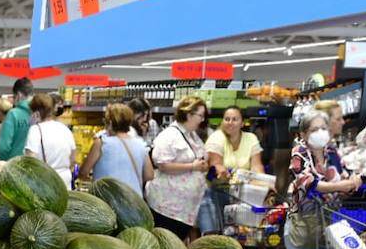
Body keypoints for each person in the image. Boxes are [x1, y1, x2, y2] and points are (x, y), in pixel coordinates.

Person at [284, 110, 361, 249]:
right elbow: (309, 183)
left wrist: (353, 182)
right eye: (314, 129)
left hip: (326, 222)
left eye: (323, 128)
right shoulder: (299, 153)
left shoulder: (332, 153)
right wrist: (342, 185)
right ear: (303, 134)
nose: (320, 133)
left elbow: (344, 176)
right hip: (301, 222)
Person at [147, 95, 210, 239]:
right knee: (166, 243)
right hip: (167, 207)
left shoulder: (192, 135)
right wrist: (192, 166)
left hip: (184, 209)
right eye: (200, 115)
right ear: (188, 114)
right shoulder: (169, 135)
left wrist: (202, 165)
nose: (202, 119)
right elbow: (162, 164)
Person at [201, 106, 265, 234]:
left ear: (242, 123)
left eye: (235, 119)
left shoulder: (251, 138)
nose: (230, 122)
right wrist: (222, 172)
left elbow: (257, 166)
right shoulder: (216, 137)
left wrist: (262, 183)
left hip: (243, 193)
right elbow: (215, 164)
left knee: (246, 233)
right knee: (217, 233)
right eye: (227, 119)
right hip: (217, 192)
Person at [77, 102, 153, 191]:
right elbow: (149, 175)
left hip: (106, 198)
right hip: (133, 199)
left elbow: (83, 172)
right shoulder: (141, 144)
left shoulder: (101, 143)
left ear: (109, 123)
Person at [23, 92, 77, 187]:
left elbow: (30, 161)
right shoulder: (65, 129)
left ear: (36, 113)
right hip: (65, 181)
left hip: (44, 183)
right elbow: (73, 159)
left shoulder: (35, 130)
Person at [0, 77, 33, 160]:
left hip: (14, 164)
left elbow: (3, 147)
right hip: (34, 164)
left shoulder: (13, 114)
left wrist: (4, 160)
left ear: (19, 95)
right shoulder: (39, 114)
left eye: (14, 96)